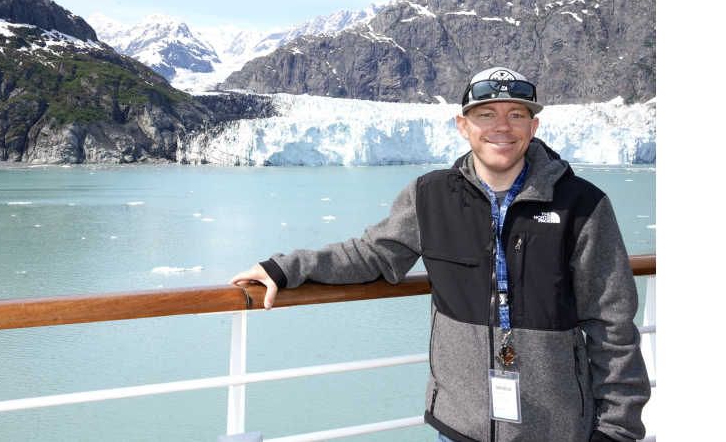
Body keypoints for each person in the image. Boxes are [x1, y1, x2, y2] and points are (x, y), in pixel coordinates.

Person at [231, 67, 650, 442]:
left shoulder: (582, 206)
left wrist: (617, 429)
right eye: (486, 114)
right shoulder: (429, 197)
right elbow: (373, 254)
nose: (501, 127)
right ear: (462, 126)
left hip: (556, 429)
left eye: (516, 114)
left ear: (534, 125)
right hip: (458, 424)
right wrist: (286, 268)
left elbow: (611, 323)